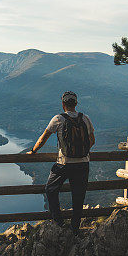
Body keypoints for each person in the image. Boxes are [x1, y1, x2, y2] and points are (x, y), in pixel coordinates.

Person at [27, 91, 95, 234]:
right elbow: (92, 140)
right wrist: (82, 152)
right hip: (83, 163)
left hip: (64, 163)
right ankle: (75, 228)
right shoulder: (86, 118)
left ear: (63, 104)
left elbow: (43, 138)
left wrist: (33, 151)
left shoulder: (58, 119)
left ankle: (59, 222)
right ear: (76, 103)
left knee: (50, 189)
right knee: (78, 196)